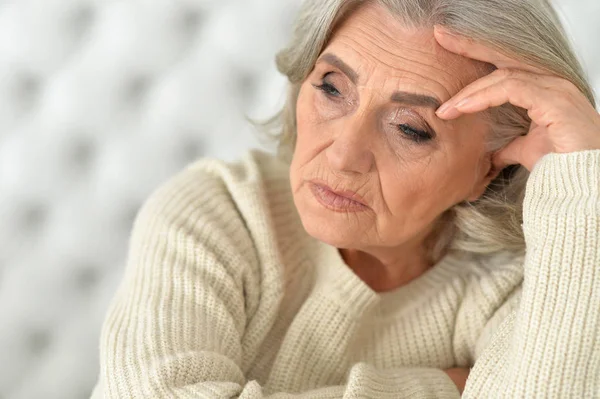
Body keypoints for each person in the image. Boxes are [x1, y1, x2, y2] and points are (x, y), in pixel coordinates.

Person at [90, 0, 600, 397]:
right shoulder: (218, 210)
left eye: (409, 128)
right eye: (332, 89)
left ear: (488, 168)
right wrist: (443, 388)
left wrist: (584, 177)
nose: (343, 155)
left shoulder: (529, 281)